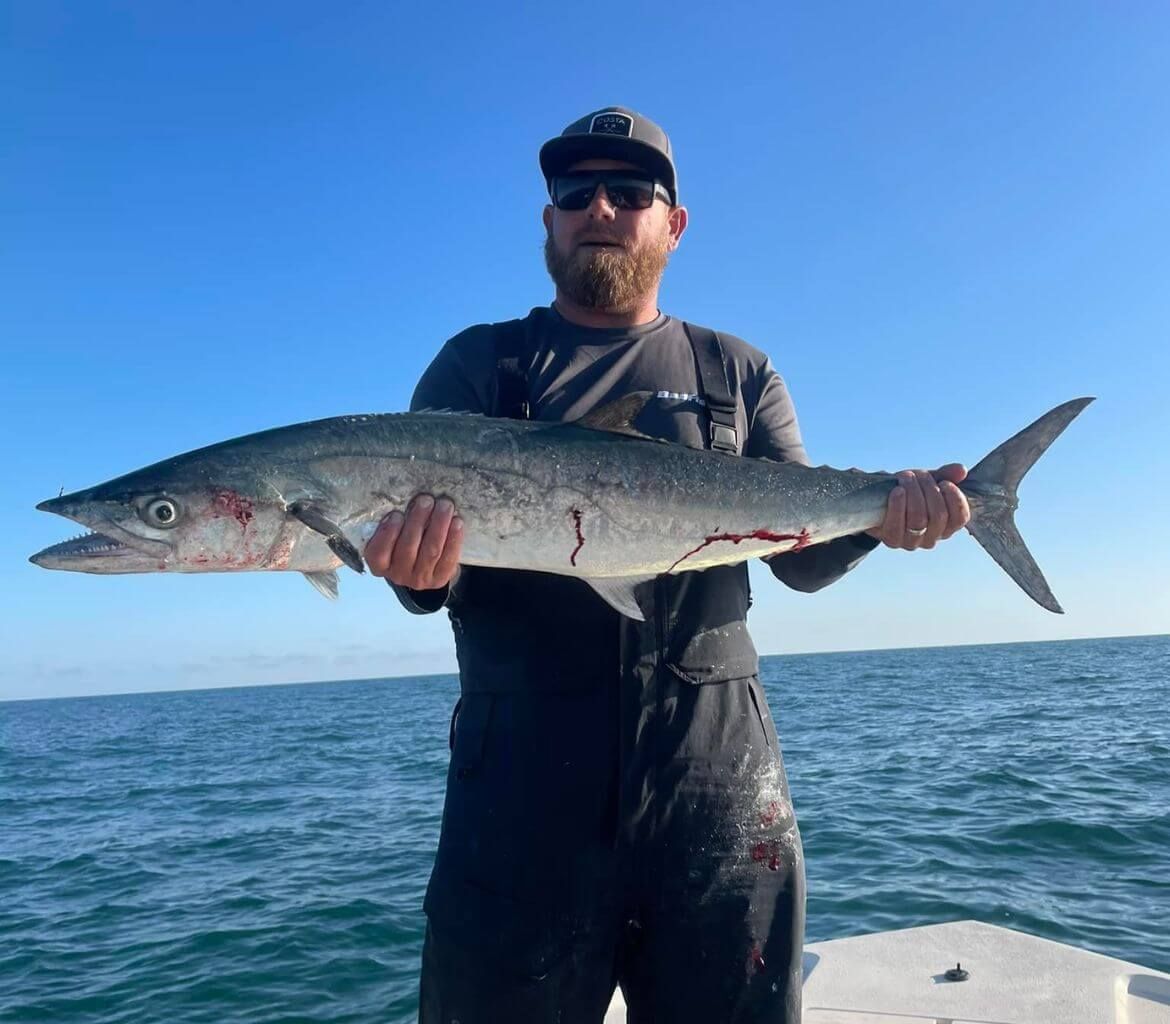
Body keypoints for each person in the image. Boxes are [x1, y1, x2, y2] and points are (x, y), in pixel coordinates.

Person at [365, 106, 970, 1024]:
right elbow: (425, 583)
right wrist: (415, 570)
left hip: (718, 789)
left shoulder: (738, 373)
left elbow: (798, 566)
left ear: (673, 223)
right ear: (548, 220)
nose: (599, 207)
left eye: (630, 190)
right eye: (575, 192)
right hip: (519, 803)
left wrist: (883, 523)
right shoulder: (480, 367)